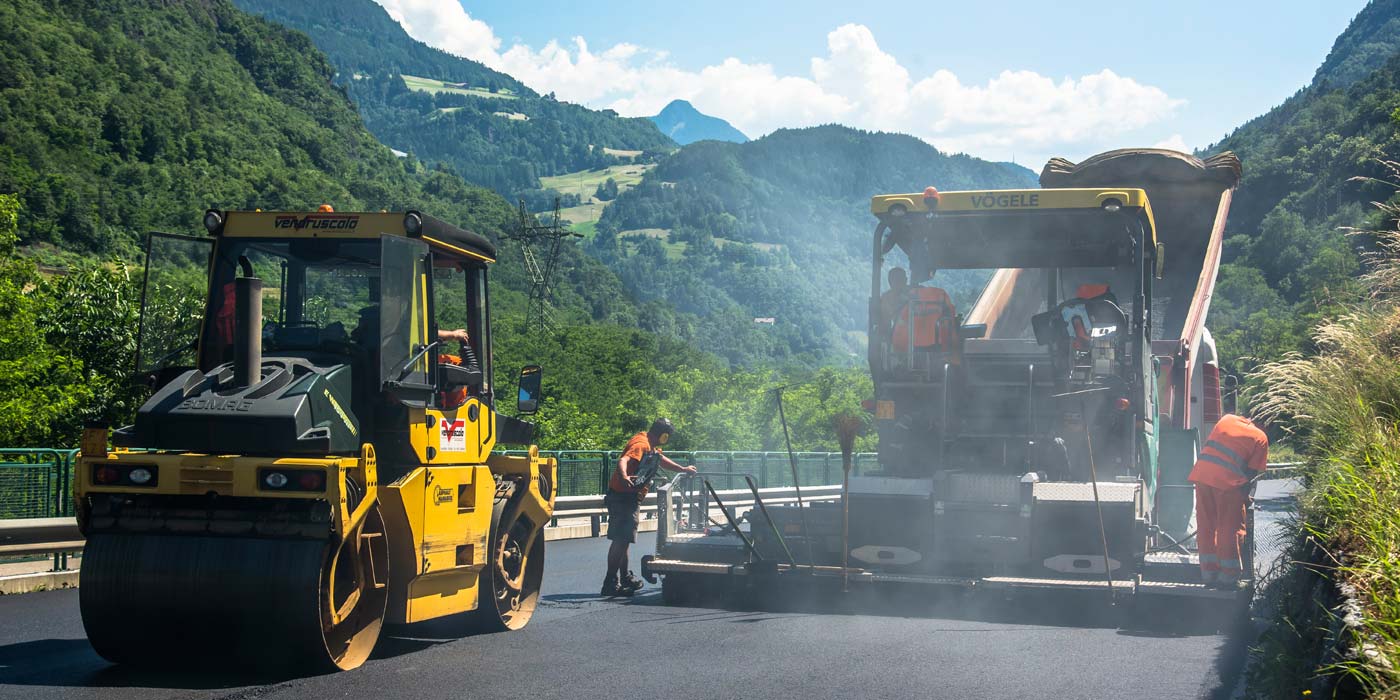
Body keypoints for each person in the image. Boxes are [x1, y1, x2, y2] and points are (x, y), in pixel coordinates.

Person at [602, 418, 697, 597]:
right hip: (624, 497)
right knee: (621, 540)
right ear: (663, 435)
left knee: (624, 540)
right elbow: (624, 459)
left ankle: (624, 577)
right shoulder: (641, 444)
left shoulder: (649, 444)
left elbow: (660, 459)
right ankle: (610, 582)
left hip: (627, 497)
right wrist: (623, 476)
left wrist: (682, 469)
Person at [1187, 413, 1269, 589]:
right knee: (1229, 529)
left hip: (1202, 476)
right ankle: (1228, 578)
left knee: (1206, 526)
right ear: (1265, 424)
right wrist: (1245, 498)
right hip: (1227, 484)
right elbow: (1251, 475)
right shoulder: (1261, 437)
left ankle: (1209, 574)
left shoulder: (1227, 418)